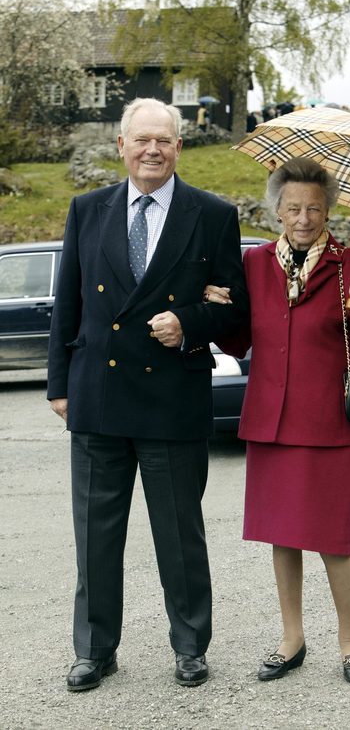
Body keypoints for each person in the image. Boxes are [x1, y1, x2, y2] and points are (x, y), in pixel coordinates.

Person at [47, 98, 248, 691]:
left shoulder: (213, 214)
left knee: (180, 536)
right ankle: (94, 650)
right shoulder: (87, 209)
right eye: (142, 140)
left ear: (179, 147)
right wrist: (59, 384)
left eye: (164, 140)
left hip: (172, 399)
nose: (152, 150)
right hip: (98, 396)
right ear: (122, 146)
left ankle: (190, 646)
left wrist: (188, 322)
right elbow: (68, 301)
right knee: (95, 535)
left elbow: (235, 312)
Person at [205, 157, 350, 684]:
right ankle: (292, 638)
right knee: (282, 536)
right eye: (293, 208)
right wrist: (217, 309)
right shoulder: (255, 263)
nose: (303, 218)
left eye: (313, 208)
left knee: (334, 539)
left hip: (332, 424)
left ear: (327, 210)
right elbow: (240, 341)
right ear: (277, 212)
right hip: (271, 423)